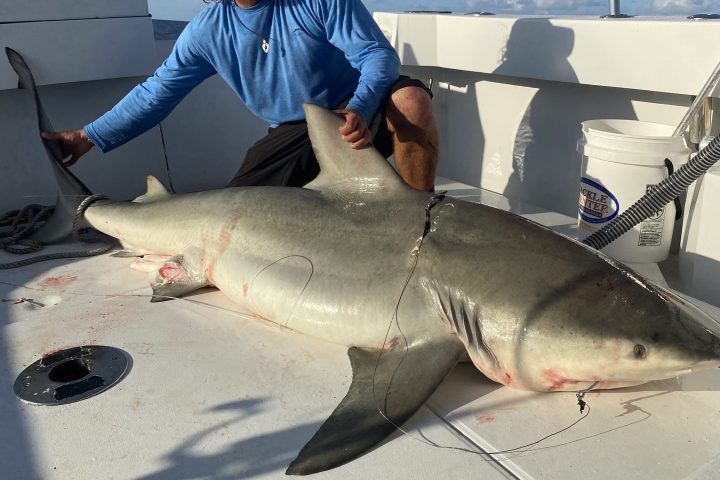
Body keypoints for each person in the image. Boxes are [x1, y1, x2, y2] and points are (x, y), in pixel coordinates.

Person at [42, 0, 438, 191]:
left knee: (410, 101)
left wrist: (360, 105)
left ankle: (420, 225)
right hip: (296, 127)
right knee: (239, 213)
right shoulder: (208, 31)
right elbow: (155, 95)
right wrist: (87, 136)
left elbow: (376, 55)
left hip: (358, 106)